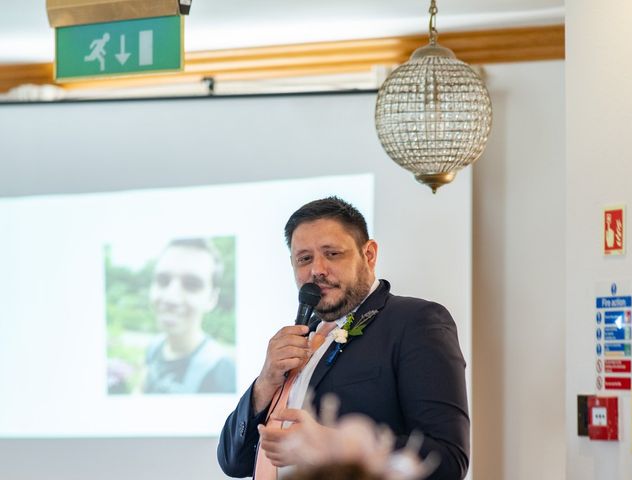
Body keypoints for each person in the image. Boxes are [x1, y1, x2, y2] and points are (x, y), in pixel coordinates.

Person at [217, 197, 469, 479]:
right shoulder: (298, 338)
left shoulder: (416, 321)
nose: (317, 270)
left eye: (332, 253)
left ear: (369, 254)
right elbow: (233, 462)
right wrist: (265, 381)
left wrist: (337, 445)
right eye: (304, 259)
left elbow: (447, 459)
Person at [143, 238, 235, 394]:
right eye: (163, 280)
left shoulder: (221, 370)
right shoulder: (153, 348)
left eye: (192, 284)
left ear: (212, 298)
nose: (171, 297)